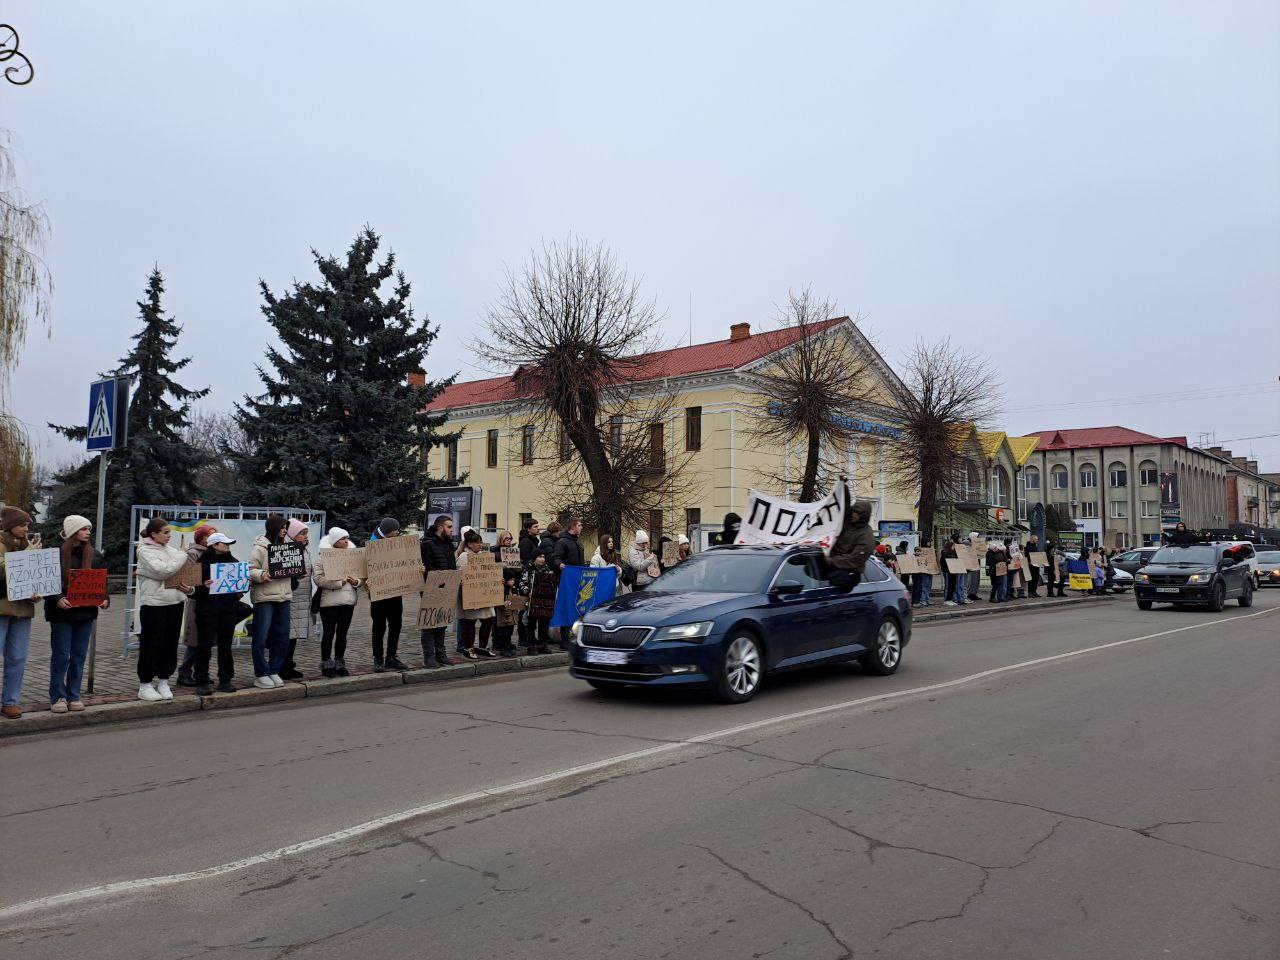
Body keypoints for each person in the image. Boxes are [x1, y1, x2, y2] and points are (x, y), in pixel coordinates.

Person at [45, 514, 110, 712]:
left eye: (89, 529)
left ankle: (74, 695)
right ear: (73, 531)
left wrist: (105, 599)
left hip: (86, 614)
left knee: (79, 656)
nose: (88, 532)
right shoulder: (55, 554)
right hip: (62, 615)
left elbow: (102, 582)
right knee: (62, 656)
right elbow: (48, 581)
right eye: (83, 529)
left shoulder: (95, 555)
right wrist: (57, 599)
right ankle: (58, 697)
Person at [135, 516, 195, 701]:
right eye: (166, 532)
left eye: (170, 532)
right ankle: (145, 684)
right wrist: (182, 555)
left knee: (169, 644)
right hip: (154, 604)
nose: (169, 536)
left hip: (175, 602)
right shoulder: (144, 551)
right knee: (150, 644)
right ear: (153, 534)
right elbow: (163, 571)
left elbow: (182, 573)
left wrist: (190, 588)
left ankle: (163, 680)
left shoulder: (171, 551)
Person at [192, 533, 247, 695]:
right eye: (224, 543)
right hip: (206, 611)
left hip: (227, 610)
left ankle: (225, 679)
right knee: (204, 645)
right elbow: (192, 590)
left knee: (225, 646)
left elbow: (241, 588)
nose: (228, 546)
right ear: (214, 545)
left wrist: (243, 583)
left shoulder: (234, 563)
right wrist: (203, 586)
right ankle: (201, 680)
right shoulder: (201, 564)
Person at [0, 506, 40, 719]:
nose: (26, 529)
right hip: (2, 608)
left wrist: (39, 591)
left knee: (17, 658)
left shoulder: (28, 546)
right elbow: (2, 570)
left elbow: (34, 576)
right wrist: (27, 556)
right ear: (10, 526)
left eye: (27, 525)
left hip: (23, 609)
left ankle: (10, 701)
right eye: (23, 525)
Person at [247, 514, 294, 688]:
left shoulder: (287, 547)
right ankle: (261, 673)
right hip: (265, 597)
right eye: (282, 527)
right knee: (261, 636)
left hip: (284, 596)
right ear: (273, 528)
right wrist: (261, 575)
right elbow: (250, 569)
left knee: (282, 635)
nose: (284, 530)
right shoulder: (260, 547)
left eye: (286, 527)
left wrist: (297, 571)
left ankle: (274, 669)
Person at [314, 527, 361, 677]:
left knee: (342, 634)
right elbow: (318, 578)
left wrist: (356, 582)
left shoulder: (353, 556)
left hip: (348, 601)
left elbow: (361, 575)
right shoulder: (323, 557)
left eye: (347, 538)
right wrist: (338, 583)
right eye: (342, 539)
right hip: (329, 602)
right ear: (334, 541)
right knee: (329, 633)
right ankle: (327, 664)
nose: (346, 541)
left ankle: (340, 663)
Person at [177, 523, 216, 686]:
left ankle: (202, 672)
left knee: (206, 640)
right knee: (195, 640)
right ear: (201, 538)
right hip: (197, 601)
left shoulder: (214, 553)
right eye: (209, 535)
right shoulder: (193, 553)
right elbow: (190, 578)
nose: (212, 538)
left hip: (211, 601)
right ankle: (184, 672)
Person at [369, 517, 408, 671]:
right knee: (379, 626)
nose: (398, 532)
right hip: (378, 593)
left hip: (396, 591)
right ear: (387, 531)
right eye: (395, 530)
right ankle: (378, 658)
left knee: (396, 625)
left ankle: (391, 656)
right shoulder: (373, 544)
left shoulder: (396, 543)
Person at [419, 515, 457, 668]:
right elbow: (426, 567)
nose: (451, 530)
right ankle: (429, 657)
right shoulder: (428, 544)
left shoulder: (448, 545)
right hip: (431, 588)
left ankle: (441, 655)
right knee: (429, 624)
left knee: (441, 623)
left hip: (447, 589)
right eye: (449, 527)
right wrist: (439, 577)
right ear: (440, 527)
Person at [456, 529, 498, 659]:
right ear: (469, 544)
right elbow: (460, 574)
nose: (480, 545)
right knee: (470, 622)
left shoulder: (484, 555)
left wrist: (496, 579)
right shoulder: (463, 557)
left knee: (488, 619)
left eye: (480, 542)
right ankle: (469, 647)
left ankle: (482, 647)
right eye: (477, 543)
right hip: (471, 595)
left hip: (484, 594)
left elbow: (490, 572)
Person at [282, 518, 312, 681]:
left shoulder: (304, 549)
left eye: (306, 533)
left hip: (302, 597)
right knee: (286, 635)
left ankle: (288, 665)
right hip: (291, 596)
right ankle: (282, 666)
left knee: (293, 636)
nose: (305, 536)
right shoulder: (286, 549)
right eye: (302, 533)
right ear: (293, 534)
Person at [826, 500, 876, 588]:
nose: (853, 514)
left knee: (834, 580)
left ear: (863, 516)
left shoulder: (866, 536)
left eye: (857, 513)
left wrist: (831, 561)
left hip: (849, 573)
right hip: (833, 564)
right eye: (853, 511)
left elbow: (855, 558)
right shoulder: (847, 525)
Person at [490, 530, 520, 657]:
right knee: (501, 618)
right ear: (501, 539)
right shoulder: (494, 553)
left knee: (510, 617)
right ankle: (500, 643)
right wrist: (501, 580)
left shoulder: (513, 553)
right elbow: (491, 571)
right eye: (506, 538)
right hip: (499, 590)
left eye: (510, 538)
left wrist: (514, 580)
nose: (509, 540)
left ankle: (506, 642)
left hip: (511, 589)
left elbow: (517, 571)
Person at [520, 553, 557, 654]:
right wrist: (527, 591)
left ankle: (543, 644)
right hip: (532, 601)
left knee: (544, 624)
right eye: (539, 557)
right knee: (531, 624)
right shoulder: (528, 569)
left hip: (545, 602)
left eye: (543, 557)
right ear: (534, 558)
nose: (542, 559)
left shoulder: (548, 570)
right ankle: (532, 645)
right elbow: (522, 583)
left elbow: (552, 584)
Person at [914, 542, 934, 606]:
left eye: (919, 551)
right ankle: (923, 600)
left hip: (929, 571)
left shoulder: (925, 555)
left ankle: (927, 599)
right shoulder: (914, 557)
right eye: (917, 551)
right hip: (922, 573)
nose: (919, 552)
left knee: (928, 586)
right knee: (924, 586)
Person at [1026, 533, 1043, 598]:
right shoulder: (1028, 547)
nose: (1037, 540)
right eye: (1036, 539)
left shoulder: (1035, 546)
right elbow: (1028, 555)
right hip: (1031, 565)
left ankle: (1034, 591)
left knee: (1036, 578)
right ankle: (1030, 592)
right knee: (1031, 579)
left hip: (1036, 565)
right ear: (1032, 539)